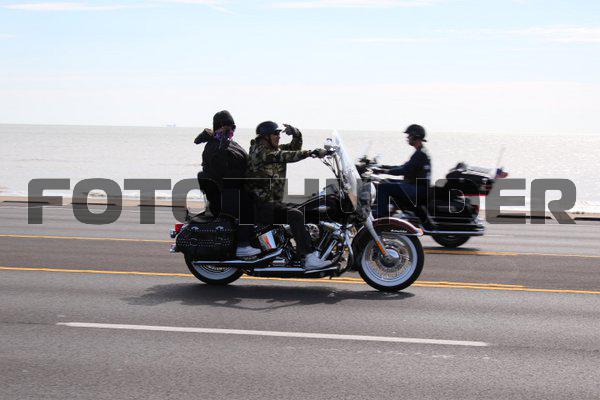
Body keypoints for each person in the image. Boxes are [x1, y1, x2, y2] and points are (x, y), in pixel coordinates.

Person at [246, 121, 329, 270]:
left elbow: (293, 149)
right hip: (261, 205)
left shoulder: (272, 149)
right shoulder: (260, 152)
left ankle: (300, 249)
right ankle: (308, 257)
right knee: (295, 215)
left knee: (307, 208)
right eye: (275, 134)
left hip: (272, 202)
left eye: (279, 133)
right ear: (265, 136)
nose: (279, 136)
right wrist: (311, 153)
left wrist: (296, 133)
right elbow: (286, 155)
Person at [194, 110, 261, 257]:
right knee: (247, 203)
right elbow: (218, 171)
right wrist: (222, 148)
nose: (231, 130)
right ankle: (243, 244)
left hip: (236, 189)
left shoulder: (232, 144)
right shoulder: (212, 146)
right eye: (228, 127)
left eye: (233, 127)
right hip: (224, 194)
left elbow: (246, 162)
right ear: (219, 127)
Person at [374, 124, 432, 226]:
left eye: (409, 135)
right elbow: (403, 166)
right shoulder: (421, 152)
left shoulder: (420, 154)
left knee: (383, 187)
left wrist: (384, 171)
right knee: (386, 181)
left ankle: (380, 218)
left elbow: (404, 170)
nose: (407, 137)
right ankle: (393, 211)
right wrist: (382, 166)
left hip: (417, 188)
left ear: (415, 136)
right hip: (416, 186)